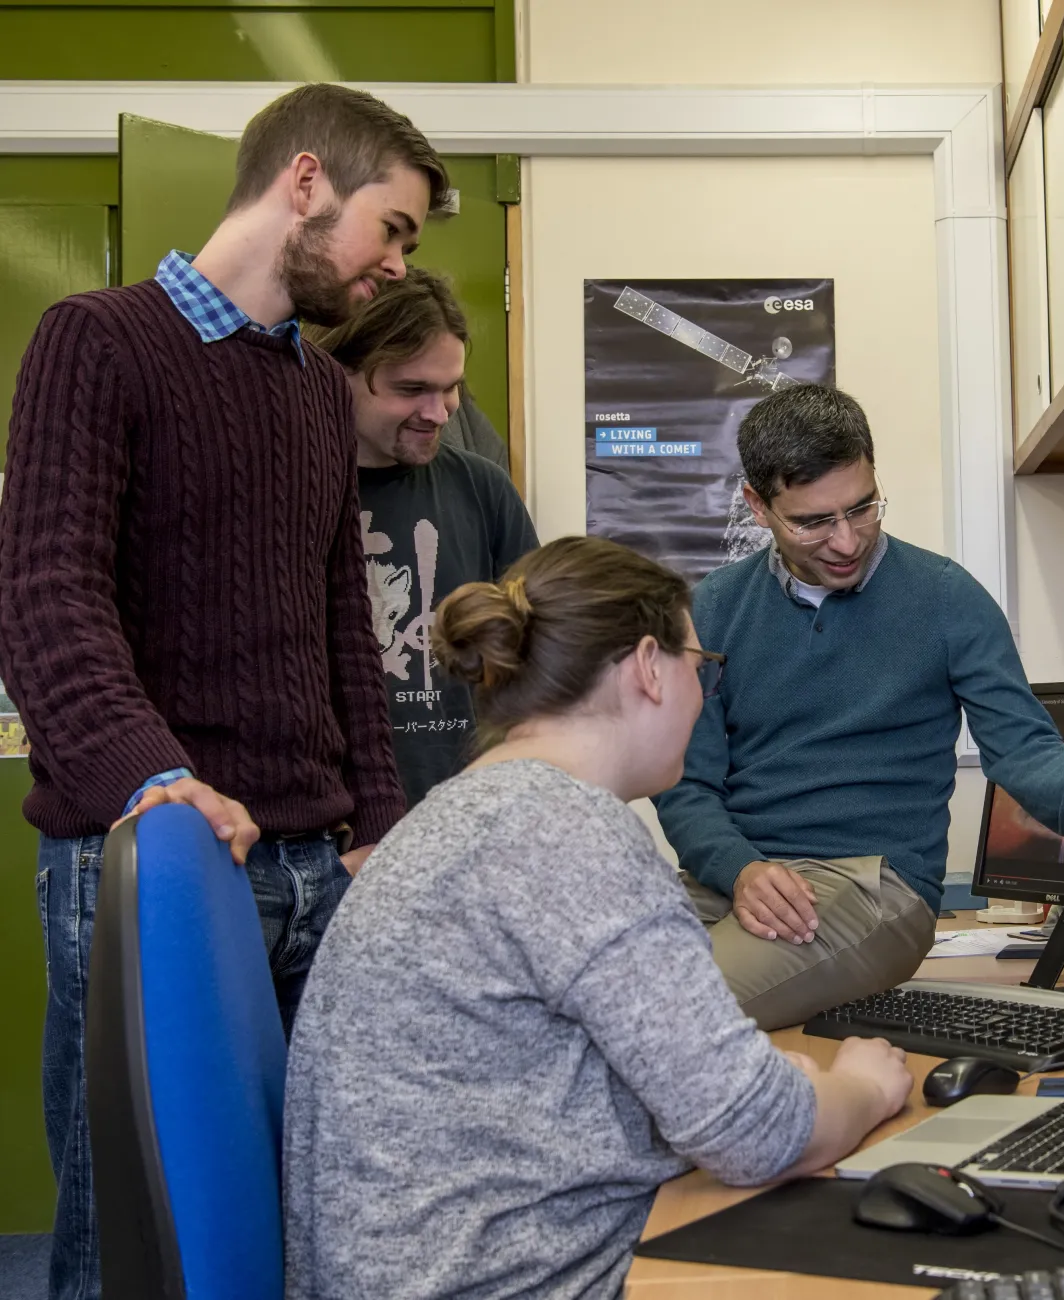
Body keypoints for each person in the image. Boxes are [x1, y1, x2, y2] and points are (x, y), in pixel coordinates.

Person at [0, 83, 447, 1300]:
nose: (396, 266)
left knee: (309, 1232)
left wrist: (380, 817)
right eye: (392, 228)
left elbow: (343, 626)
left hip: (317, 870)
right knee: (137, 1247)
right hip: (160, 865)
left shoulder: (318, 391)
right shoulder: (98, 341)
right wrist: (157, 781)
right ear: (305, 183)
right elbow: (45, 593)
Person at [281, 536, 915, 1300]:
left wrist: (771, 1087)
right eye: (700, 665)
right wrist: (863, 1086)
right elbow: (758, 1131)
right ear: (649, 666)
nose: (700, 695)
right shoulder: (566, 833)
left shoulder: (463, 814)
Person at [653, 384, 1064, 1032]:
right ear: (758, 506)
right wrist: (740, 870)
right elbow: (686, 784)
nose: (846, 541)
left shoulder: (947, 599)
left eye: (862, 508)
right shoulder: (714, 608)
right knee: (589, 997)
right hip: (729, 878)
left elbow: (1023, 750)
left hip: (870, 886)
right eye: (813, 522)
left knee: (675, 1018)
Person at [308, 268, 538, 805]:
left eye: (450, 387)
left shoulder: (482, 488)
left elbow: (539, 658)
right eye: (411, 389)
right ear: (334, 374)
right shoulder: (284, 491)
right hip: (323, 824)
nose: (438, 413)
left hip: (462, 811)